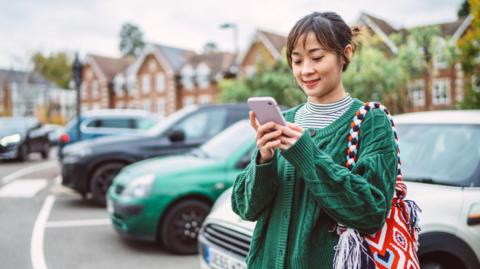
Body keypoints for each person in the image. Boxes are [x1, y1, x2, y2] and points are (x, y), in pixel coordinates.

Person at [231, 11, 398, 269]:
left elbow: (371, 212)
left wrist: (307, 155)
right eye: (297, 61)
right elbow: (244, 208)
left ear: (346, 53)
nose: (306, 70)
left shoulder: (371, 121)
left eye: (317, 57)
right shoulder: (283, 120)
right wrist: (264, 159)